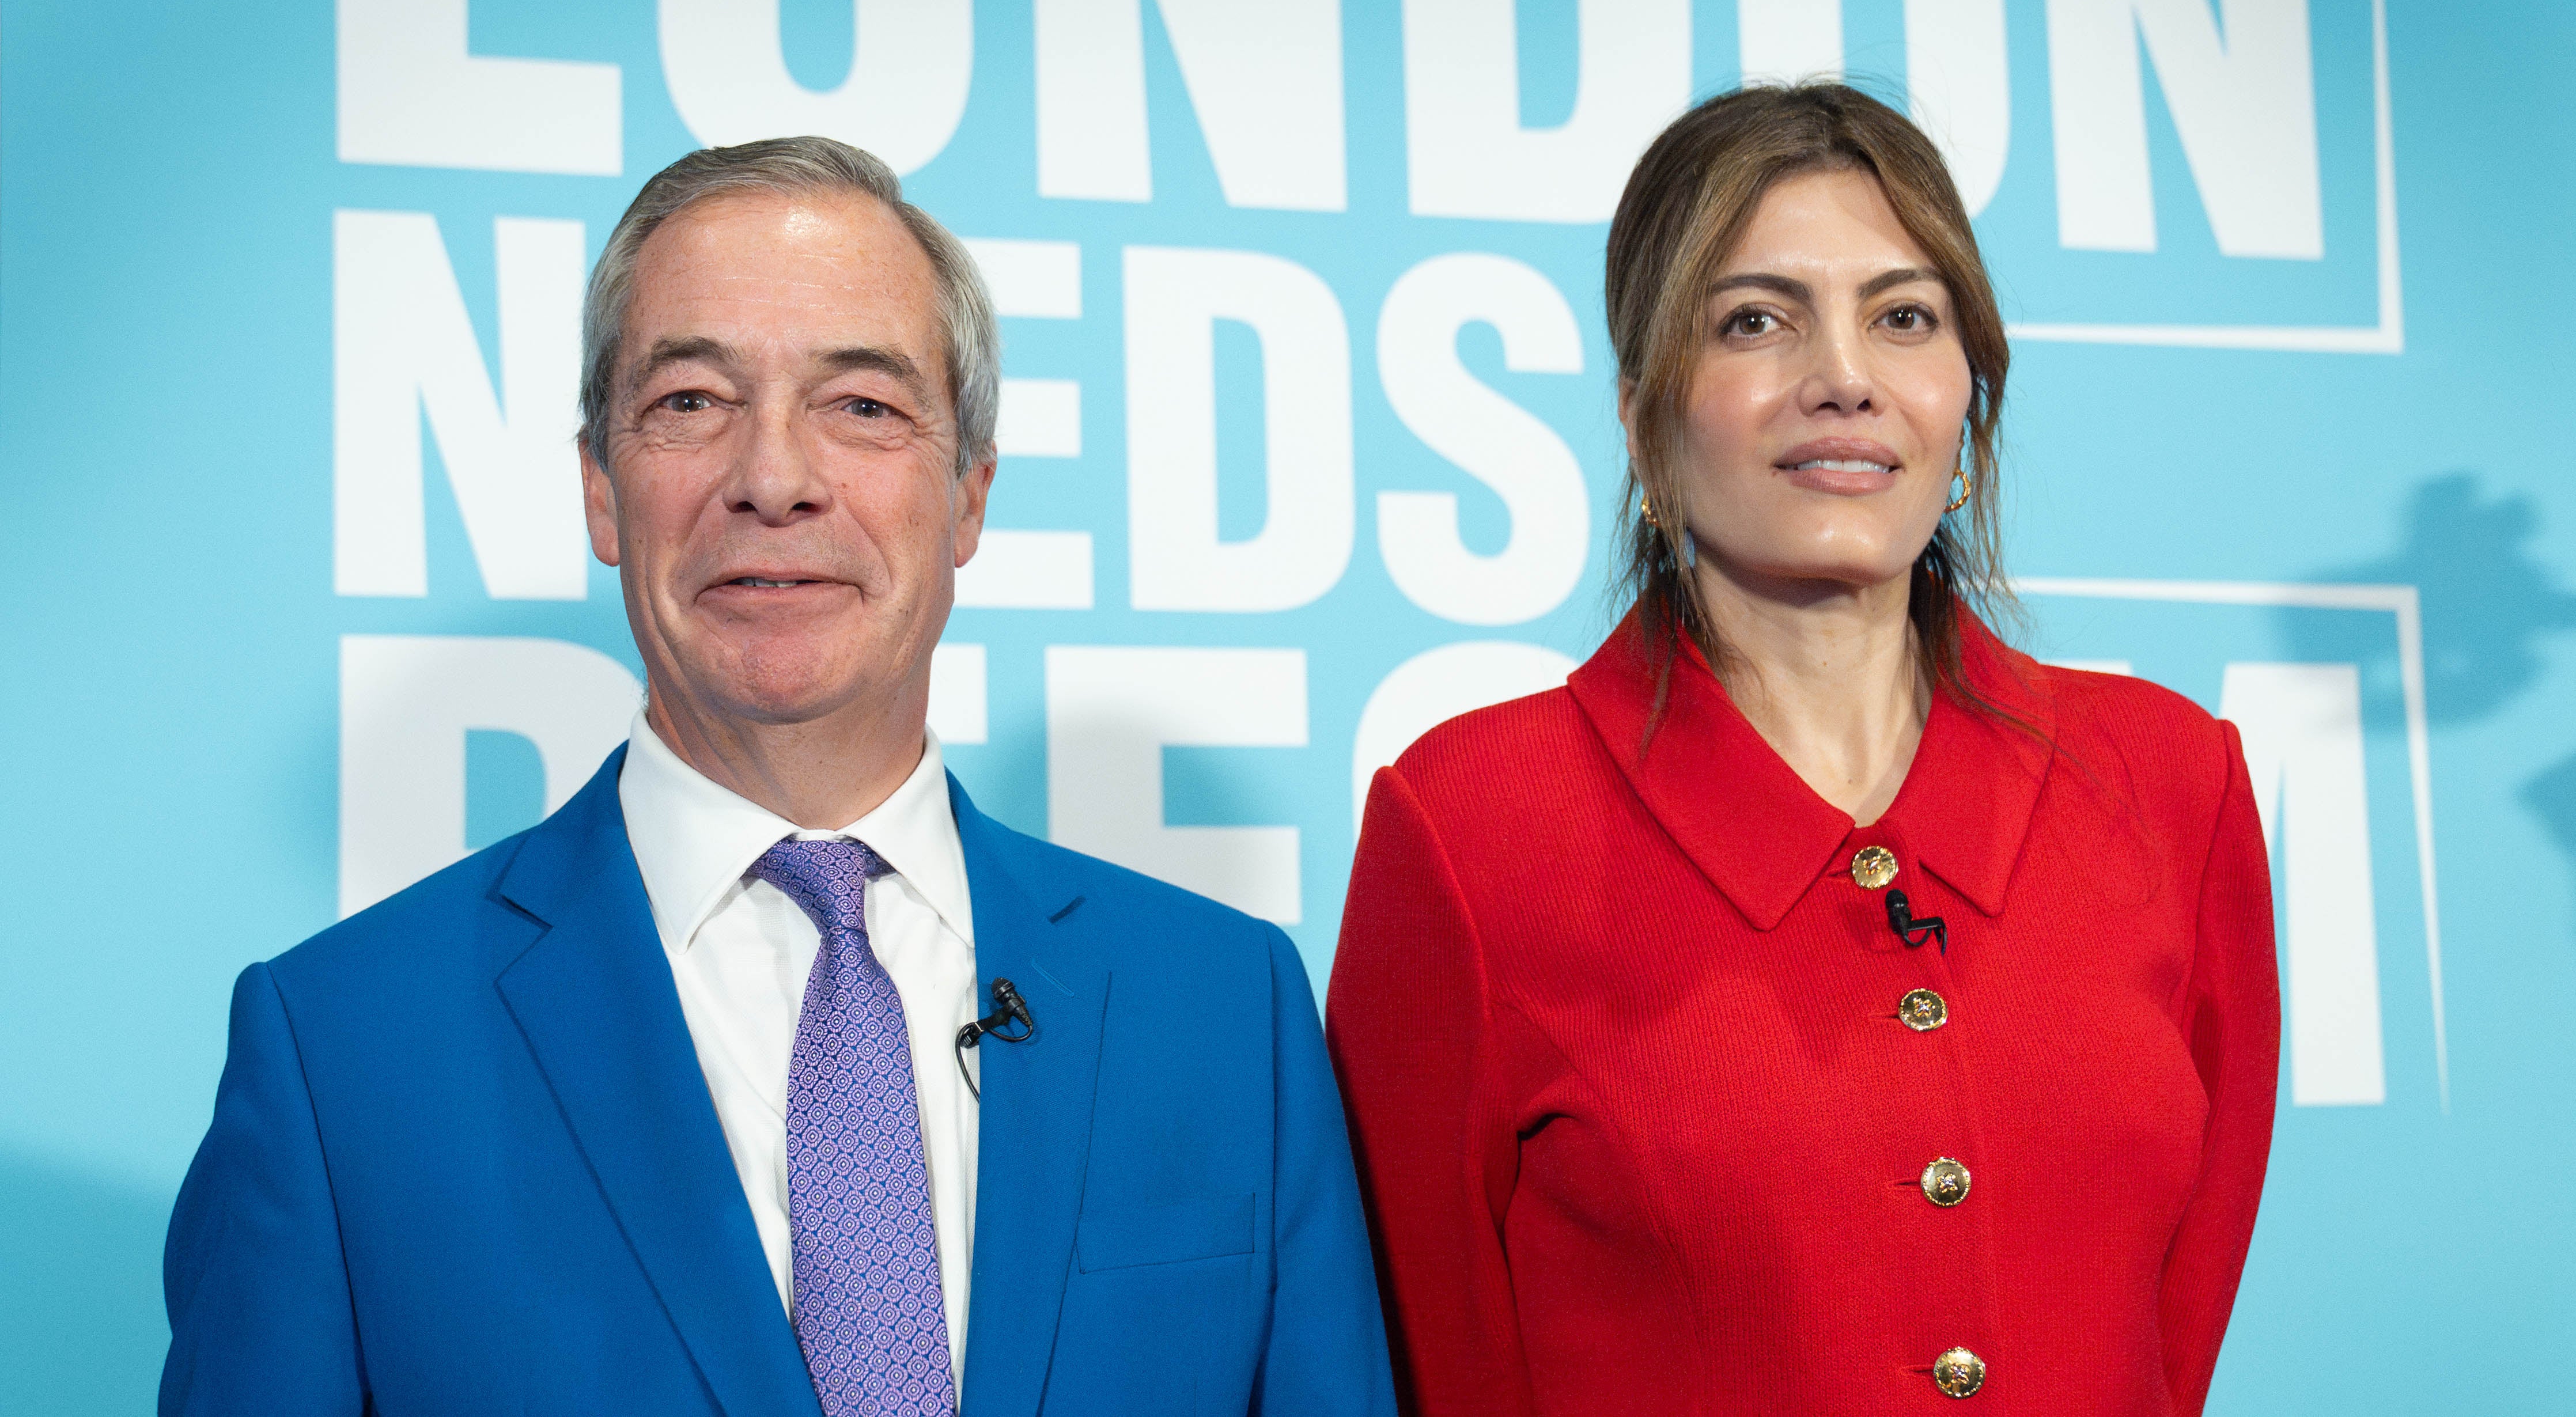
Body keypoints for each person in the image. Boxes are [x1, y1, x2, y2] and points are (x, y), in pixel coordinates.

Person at [162, 138, 1394, 1417]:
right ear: (601, 487)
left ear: (969, 495)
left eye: (861, 406)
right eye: (692, 401)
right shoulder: (339, 1055)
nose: (773, 480)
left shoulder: (1226, 1010)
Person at [1327, 85, 2279, 1414]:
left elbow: (2171, 1341)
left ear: (1966, 398)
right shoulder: (1475, 822)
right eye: (1755, 321)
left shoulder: (2171, 782)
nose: (1844, 378)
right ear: (1642, 419)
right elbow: (1427, 1358)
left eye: (1904, 317)